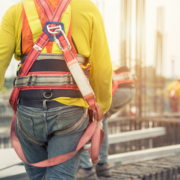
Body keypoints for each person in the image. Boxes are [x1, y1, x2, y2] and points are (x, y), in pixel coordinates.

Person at [0, 0, 112, 179]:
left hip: (28, 111)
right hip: (70, 112)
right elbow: (103, 68)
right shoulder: (87, 8)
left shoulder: (16, 11)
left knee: (37, 176)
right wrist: (101, 110)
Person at [76, 66, 135, 180]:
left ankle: (86, 169)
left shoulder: (76, 63)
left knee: (76, 126)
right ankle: (102, 165)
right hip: (129, 89)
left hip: (117, 88)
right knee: (102, 121)